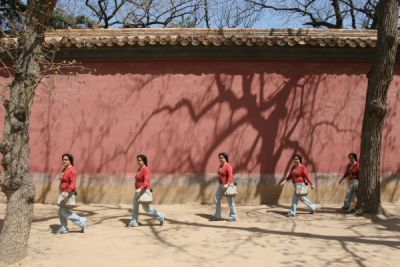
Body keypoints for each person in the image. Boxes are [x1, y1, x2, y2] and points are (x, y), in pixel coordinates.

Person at [127, 154, 166, 227]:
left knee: (147, 209)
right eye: (137, 160)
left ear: (144, 161)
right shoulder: (139, 169)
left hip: (144, 191)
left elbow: (146, 181)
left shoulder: (146, 169)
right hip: (138, 191)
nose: (138, 162)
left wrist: (140, 188)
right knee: (135, 206)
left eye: (140, 160)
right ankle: (134, 222)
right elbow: (138, 179)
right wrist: (136, 186)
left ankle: (161, 216)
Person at [56, 153, 87, 234]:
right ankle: (64, 228)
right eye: (63, 159)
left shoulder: (72, 170)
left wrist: (68, 191)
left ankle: (81, 221)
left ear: (70, 160)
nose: (64, 161)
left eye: (66, 159)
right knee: (61, 211)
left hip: (67, 193)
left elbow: (73, 183)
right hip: (62, 192)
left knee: (64, 212)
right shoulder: (64, 169)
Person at [210, 152, 237, 222]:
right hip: (221, 185)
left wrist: (228, 184)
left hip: (227, 186)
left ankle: (233, 216)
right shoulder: (221, 165)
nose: (220, 159)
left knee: (230, 202)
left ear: (225, 158)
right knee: (217, 199)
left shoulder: (228, 166)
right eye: (219, 158)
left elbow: (231, 175)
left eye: (222, 158)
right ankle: (218, 216)